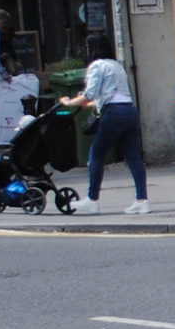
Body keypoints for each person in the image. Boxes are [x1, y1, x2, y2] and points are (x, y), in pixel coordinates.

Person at [60, 38, 148, 215]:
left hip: (114, 114)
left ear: (91, 48)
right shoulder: (117, 66)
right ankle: (142, 200)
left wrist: (69, 102)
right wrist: (92, 104)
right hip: (130, 111)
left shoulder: (96, 66)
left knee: (96, 155)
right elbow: (113, 96)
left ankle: (93, 200)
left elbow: (89, 94)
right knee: (133, 158)